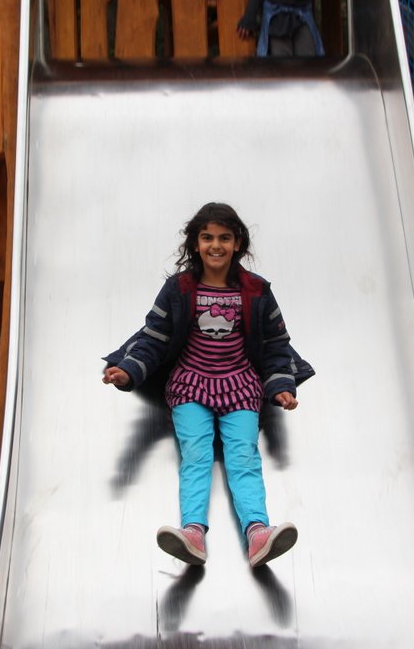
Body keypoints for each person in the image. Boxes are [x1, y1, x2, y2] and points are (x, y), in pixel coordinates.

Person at [102, 202, 314, 567]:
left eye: (224, 238)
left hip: (240, 387)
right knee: (196, 455)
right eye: (207, 237)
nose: (216, 245)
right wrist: (129, 371)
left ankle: (258, 533)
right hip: (192, 386)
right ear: (196, 244)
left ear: (237, 243)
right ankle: (193, 533)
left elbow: (275, 344)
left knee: (244, 456)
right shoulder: (180, 289)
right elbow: (154, 337)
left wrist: (282, 386)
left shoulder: (256, 291)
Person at [236, 0, 345, 57]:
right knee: (282, 66)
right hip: (278, 18)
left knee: (310, 63)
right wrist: (249, 17)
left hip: (302, 16)